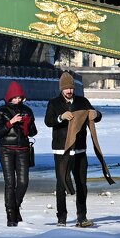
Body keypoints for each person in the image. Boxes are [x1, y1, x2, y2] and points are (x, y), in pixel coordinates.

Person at [45, 71, 102, 227]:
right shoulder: (54, 103)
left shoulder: (83, 102)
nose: (69, 91)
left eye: (71, 88)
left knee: (82, 184)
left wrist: (95, 114)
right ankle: (61, 218)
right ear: (61, 89)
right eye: (66, 89)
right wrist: (61, 117)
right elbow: (48, 121)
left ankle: (82, 217)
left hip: (79, 150)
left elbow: (98, 116)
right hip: (61, 150)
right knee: (61, 184)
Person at [0, 80, 37, 227]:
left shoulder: (27, 110)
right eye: (15, 98)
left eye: (20, 98)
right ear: (9, 97)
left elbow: (33, 132)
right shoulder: (1, 111)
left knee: (23, 182)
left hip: (23, 150)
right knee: (10, 183)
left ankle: (15, 207)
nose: (17, 100)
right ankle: (11, 216)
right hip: (6, 150)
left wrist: (28, 124)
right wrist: (10, 122)